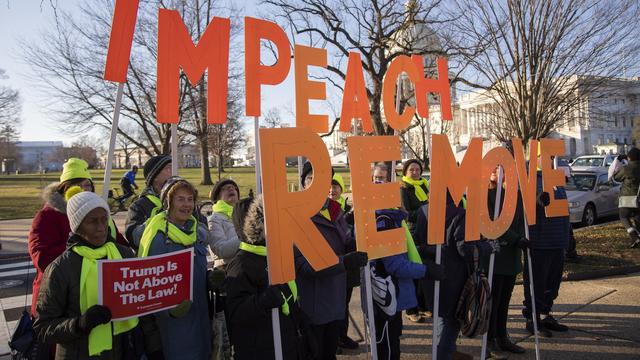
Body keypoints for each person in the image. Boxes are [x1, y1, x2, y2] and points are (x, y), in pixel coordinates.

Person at [33, 191, 139, 359]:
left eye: (105, 219)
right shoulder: (60, 268)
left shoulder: (125, 255)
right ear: (77, 225)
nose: (101, 227)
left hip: (121, 352)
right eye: (92, 221)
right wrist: (80, 324)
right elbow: (43, 327)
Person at [28, 158, 126, 317]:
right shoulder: (47, 217)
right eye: (76, 186)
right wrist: (83, 244)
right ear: (64, 189)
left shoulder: (100, 215)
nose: (82, 190)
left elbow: (122, 246)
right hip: (61, 300)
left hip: (99, 294)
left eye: (87, 185)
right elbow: (42, 258)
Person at [367, 164, 444, 359]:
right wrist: (426, 271)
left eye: (383, 178)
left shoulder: (393, 215)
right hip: (385, 293)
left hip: (390, 292)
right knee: (388, 347)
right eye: (375, 178)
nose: (379, 182)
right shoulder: (383, 218)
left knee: (392, 339)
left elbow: (399, 254)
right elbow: (394, 265)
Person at [135, 177, 217, 359]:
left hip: (201, 317)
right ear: (168, 202)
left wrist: (210, 279)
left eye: (190, 199)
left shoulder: (196, 233)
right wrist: (168, 311)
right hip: (174, 325)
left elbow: (197, 271)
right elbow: (148, 286)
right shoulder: (158, 239)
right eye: (180, 199)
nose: (186, 205)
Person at [296, 161, 368, 360]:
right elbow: (303, 265)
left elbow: (344, 240)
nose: (320, 184)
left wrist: (361, 242)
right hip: (313, 301)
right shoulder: (297, 215)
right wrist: (345, 262)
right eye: (312, 179)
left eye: (325, 179)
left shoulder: (336, 211)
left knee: (329, 352)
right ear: (303, 183)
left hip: (336, 297)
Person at [414, 192, 493, 360]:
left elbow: (417, 241)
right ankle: (443, 353)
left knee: (441, 316)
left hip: (431, 274)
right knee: (453, 320)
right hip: (453, 277)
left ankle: (446, 351)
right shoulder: (460, 214)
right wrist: (487, 247)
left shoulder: (423, 210)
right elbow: (465, 250)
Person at [225, 196, 304, 360]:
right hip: (261, 349)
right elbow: (236, 314)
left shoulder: (275, 256)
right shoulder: (240, 264)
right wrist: (263, 300)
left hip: (286, 343)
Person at [481, 167, 526, 357]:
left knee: (505, 301)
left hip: (511, 256)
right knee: (493, 302)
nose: (500, 174)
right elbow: (491, 222)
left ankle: (502, 336)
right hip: (494, 256)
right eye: (496, 170)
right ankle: (490, 339)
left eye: (504, 170)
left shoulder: (515, 195)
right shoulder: (486, 195)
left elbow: (524, 219)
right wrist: (516, 238)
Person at [523, 160, 570, 337]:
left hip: (557, 241)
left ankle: (546, 314)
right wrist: (537, 200)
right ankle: (532, 318)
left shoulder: (557, 180)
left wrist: (568, 236)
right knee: (536, 283)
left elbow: (564, 211)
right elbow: (524, 204)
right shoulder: (530, 179)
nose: (550, 160)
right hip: (540, 242)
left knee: (552, 284)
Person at [207, 179, 241, 360]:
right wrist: (245, 235)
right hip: (228, 281)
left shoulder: (244, 215)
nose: (231, 190)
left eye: (234, 188)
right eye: (226, 189)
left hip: (247, 277)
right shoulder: (215, 219)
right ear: (218, 196)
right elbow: (221, 249)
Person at [328, 173, 358, 351]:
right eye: (329, 187)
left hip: (347, 264)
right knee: (332, 302)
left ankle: (342, 336)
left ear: (341, 189)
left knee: (344, 303)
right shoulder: (321, 209)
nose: (332, 190)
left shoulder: (349, 208)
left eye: (336, 186)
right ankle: (332, 339)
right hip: (331, 264)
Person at [399, 159, 430, 323]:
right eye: (412, 170)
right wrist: (426, 208)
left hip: (426, 231)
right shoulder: (403, 188)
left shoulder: (425, 185)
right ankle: (411, 309)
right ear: (405, 172)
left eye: (418, 169)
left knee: (424, 270)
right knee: (413, 271)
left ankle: (423, 306)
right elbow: (407, 213)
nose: (415, 172)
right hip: (412, 233)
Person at [125, 155, 172, 246]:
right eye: (168, 168)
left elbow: (204, 231)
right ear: (155, 177)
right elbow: (133, 238)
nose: (173, 172)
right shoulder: (138, 206)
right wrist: (161, 221)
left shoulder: (186, 200)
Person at [613, 148, 640, 248]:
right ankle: (638, 237)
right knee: (638, 217)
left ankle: (634, 236)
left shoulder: (626, 169)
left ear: (629, 157)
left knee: (624, 216)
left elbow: (615, 177)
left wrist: (620, 162)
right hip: (639, 200)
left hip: (627, 199)